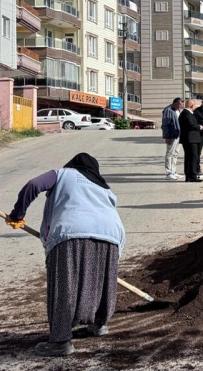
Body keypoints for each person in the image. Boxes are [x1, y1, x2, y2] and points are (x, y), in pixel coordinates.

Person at [4, 153, 125, 357]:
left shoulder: (62, 174)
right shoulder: (104, 188)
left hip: (71, 232)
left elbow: (33, 185)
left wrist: (17, 215)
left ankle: (60, 341)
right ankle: (99, 324)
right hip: (111, 234)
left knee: (64, 286)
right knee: (102, 279)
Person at [179, 99, 203, 182]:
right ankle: (192, 175)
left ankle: (189, 175)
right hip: (190, 139)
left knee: (189, 157)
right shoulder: (186, 114)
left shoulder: (187, 113)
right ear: (191, 106)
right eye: (194, 105)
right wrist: (199, 127)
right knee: (193, 157)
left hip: (190, 139)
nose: (195, 107)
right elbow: (191, 125)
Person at [161, 97, 183, 180]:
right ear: (175, 103)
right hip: (172, 135)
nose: (181, 106)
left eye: (181, 104)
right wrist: (167, 136)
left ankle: (174, 171)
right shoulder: (168, 110)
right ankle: (169, 172)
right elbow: (165, 125)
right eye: (180, 104)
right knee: (170, 153)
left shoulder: (179, 110)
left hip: (179, 135)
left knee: (176, 153)